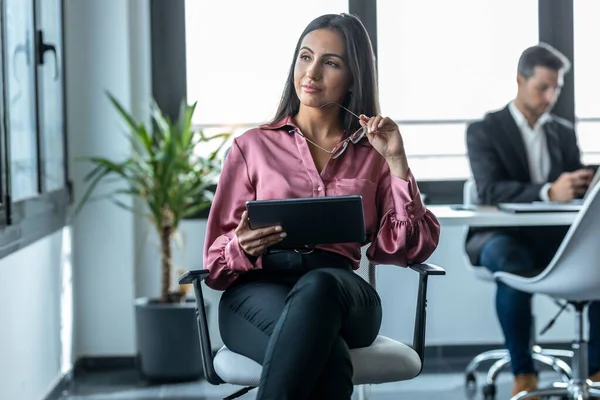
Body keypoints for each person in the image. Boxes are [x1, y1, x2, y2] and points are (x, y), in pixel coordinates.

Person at [203, 13, 440, 400]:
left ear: (352, 78)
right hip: (257, 291)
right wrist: (240, 247)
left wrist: (397, 163)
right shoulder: (251, 148)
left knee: (319, 286)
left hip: (342, 292)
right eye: (305, 57)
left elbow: (410, 247)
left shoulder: (374, 153)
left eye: (330, 62)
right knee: (328, 362)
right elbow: (214, 265)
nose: (311, 72)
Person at [466, 43, 600, 397]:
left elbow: (574, 182)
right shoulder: (484, 130)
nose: (550, 96)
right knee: (511, 263)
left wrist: (582, 184)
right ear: (519, 81)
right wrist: (547, 192)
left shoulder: (562, 131)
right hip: (498, 235)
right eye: (543, 87)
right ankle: (523, 374)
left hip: (553, 235)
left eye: (556, 87)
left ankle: (598, 369)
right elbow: (490, 189)